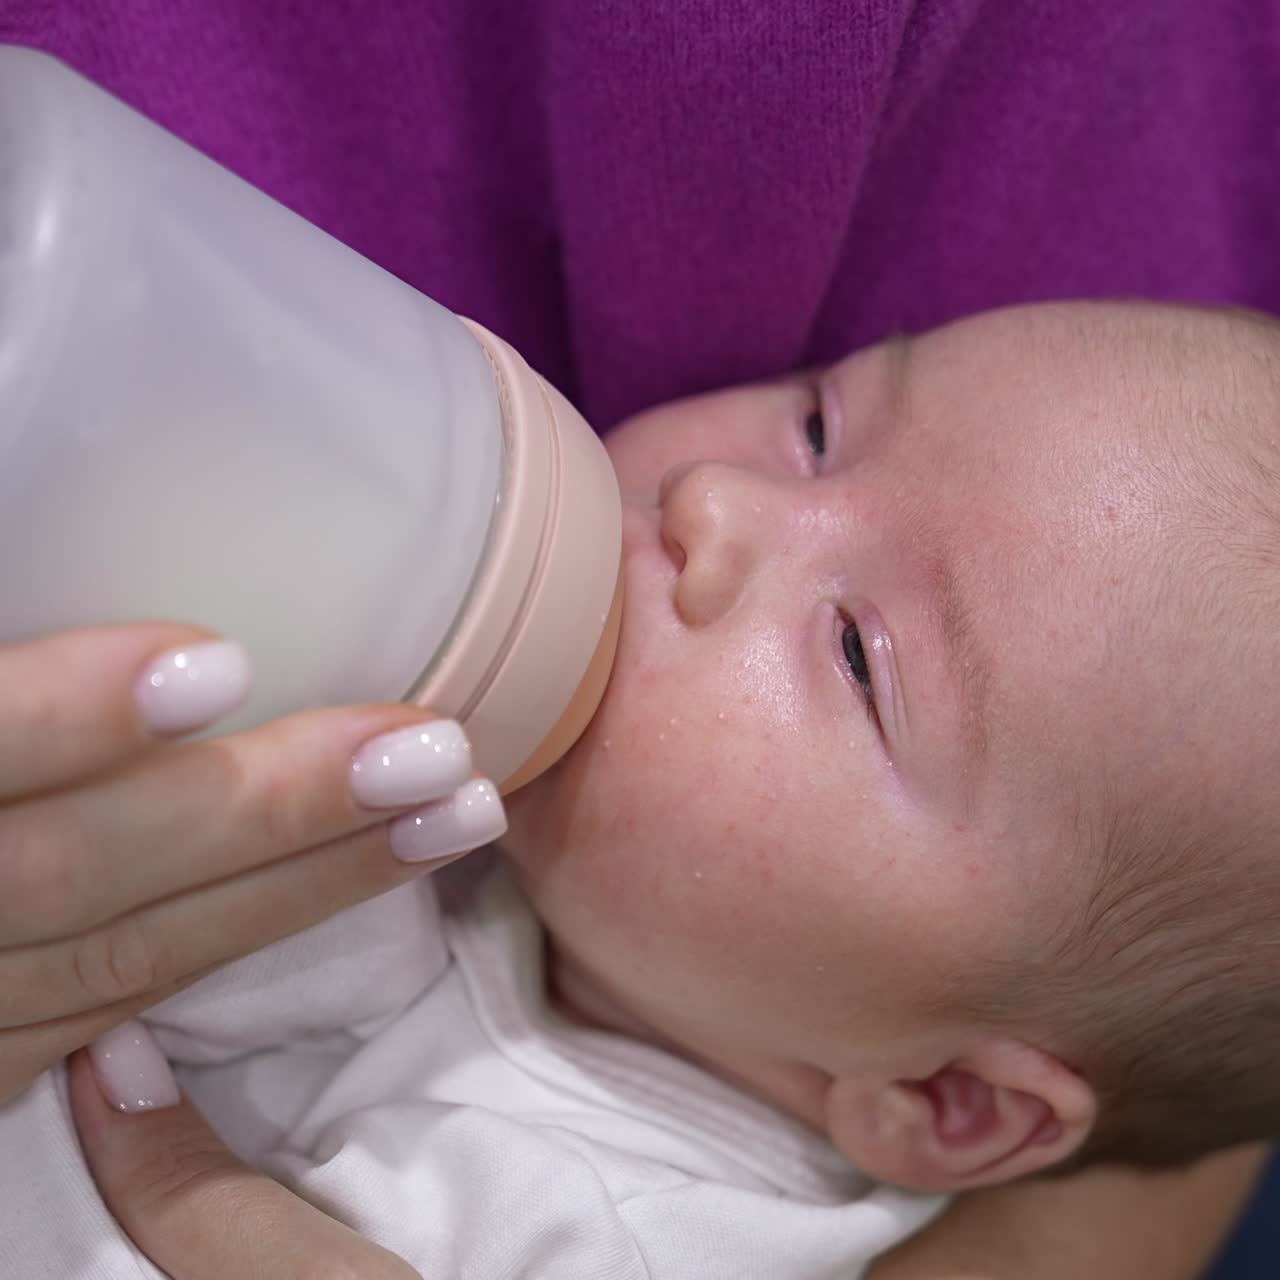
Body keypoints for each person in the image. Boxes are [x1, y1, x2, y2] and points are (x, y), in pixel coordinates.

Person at [3, 2, 1277, 1275]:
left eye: (854, 656)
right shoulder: (552, 900)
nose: (713, 505)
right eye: (820, 423)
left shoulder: (588, 1233)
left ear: (944, 1101)